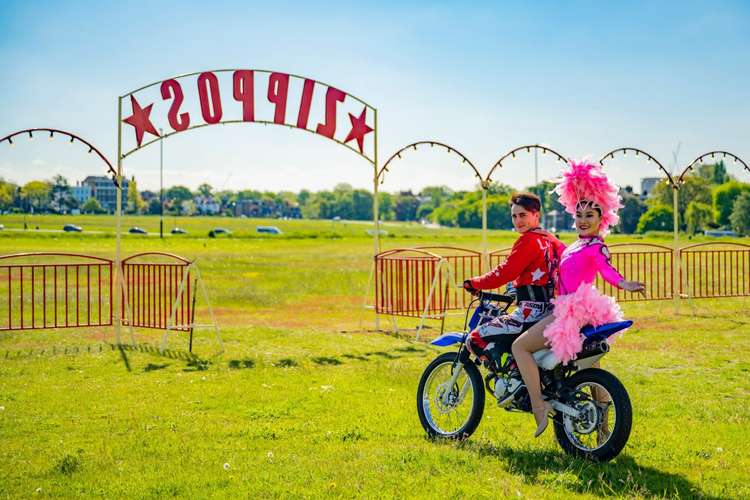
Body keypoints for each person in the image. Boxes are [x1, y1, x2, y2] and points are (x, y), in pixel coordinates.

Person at [510, 159, 645, 437]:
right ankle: (605, 430)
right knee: (593, 367)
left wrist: (624, 283)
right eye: (579, 215)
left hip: (572, 311)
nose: (582, 221)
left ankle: (538, 406)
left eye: (589, 216)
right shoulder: (575, 244)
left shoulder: (596, 246)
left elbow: (607, 271)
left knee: (520, 347)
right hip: (569, 306)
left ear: (601, 219)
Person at [462, 192, 565, 369]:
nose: (518, 221)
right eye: (514, 216)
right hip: (552, 311)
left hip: (529, 313)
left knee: (474, 338)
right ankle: (516, 374)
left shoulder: (528, 240)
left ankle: (507, 375)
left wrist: (475, 282)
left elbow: (504, 273)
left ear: (536, 215)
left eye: (523, 215)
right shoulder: (553, 241)